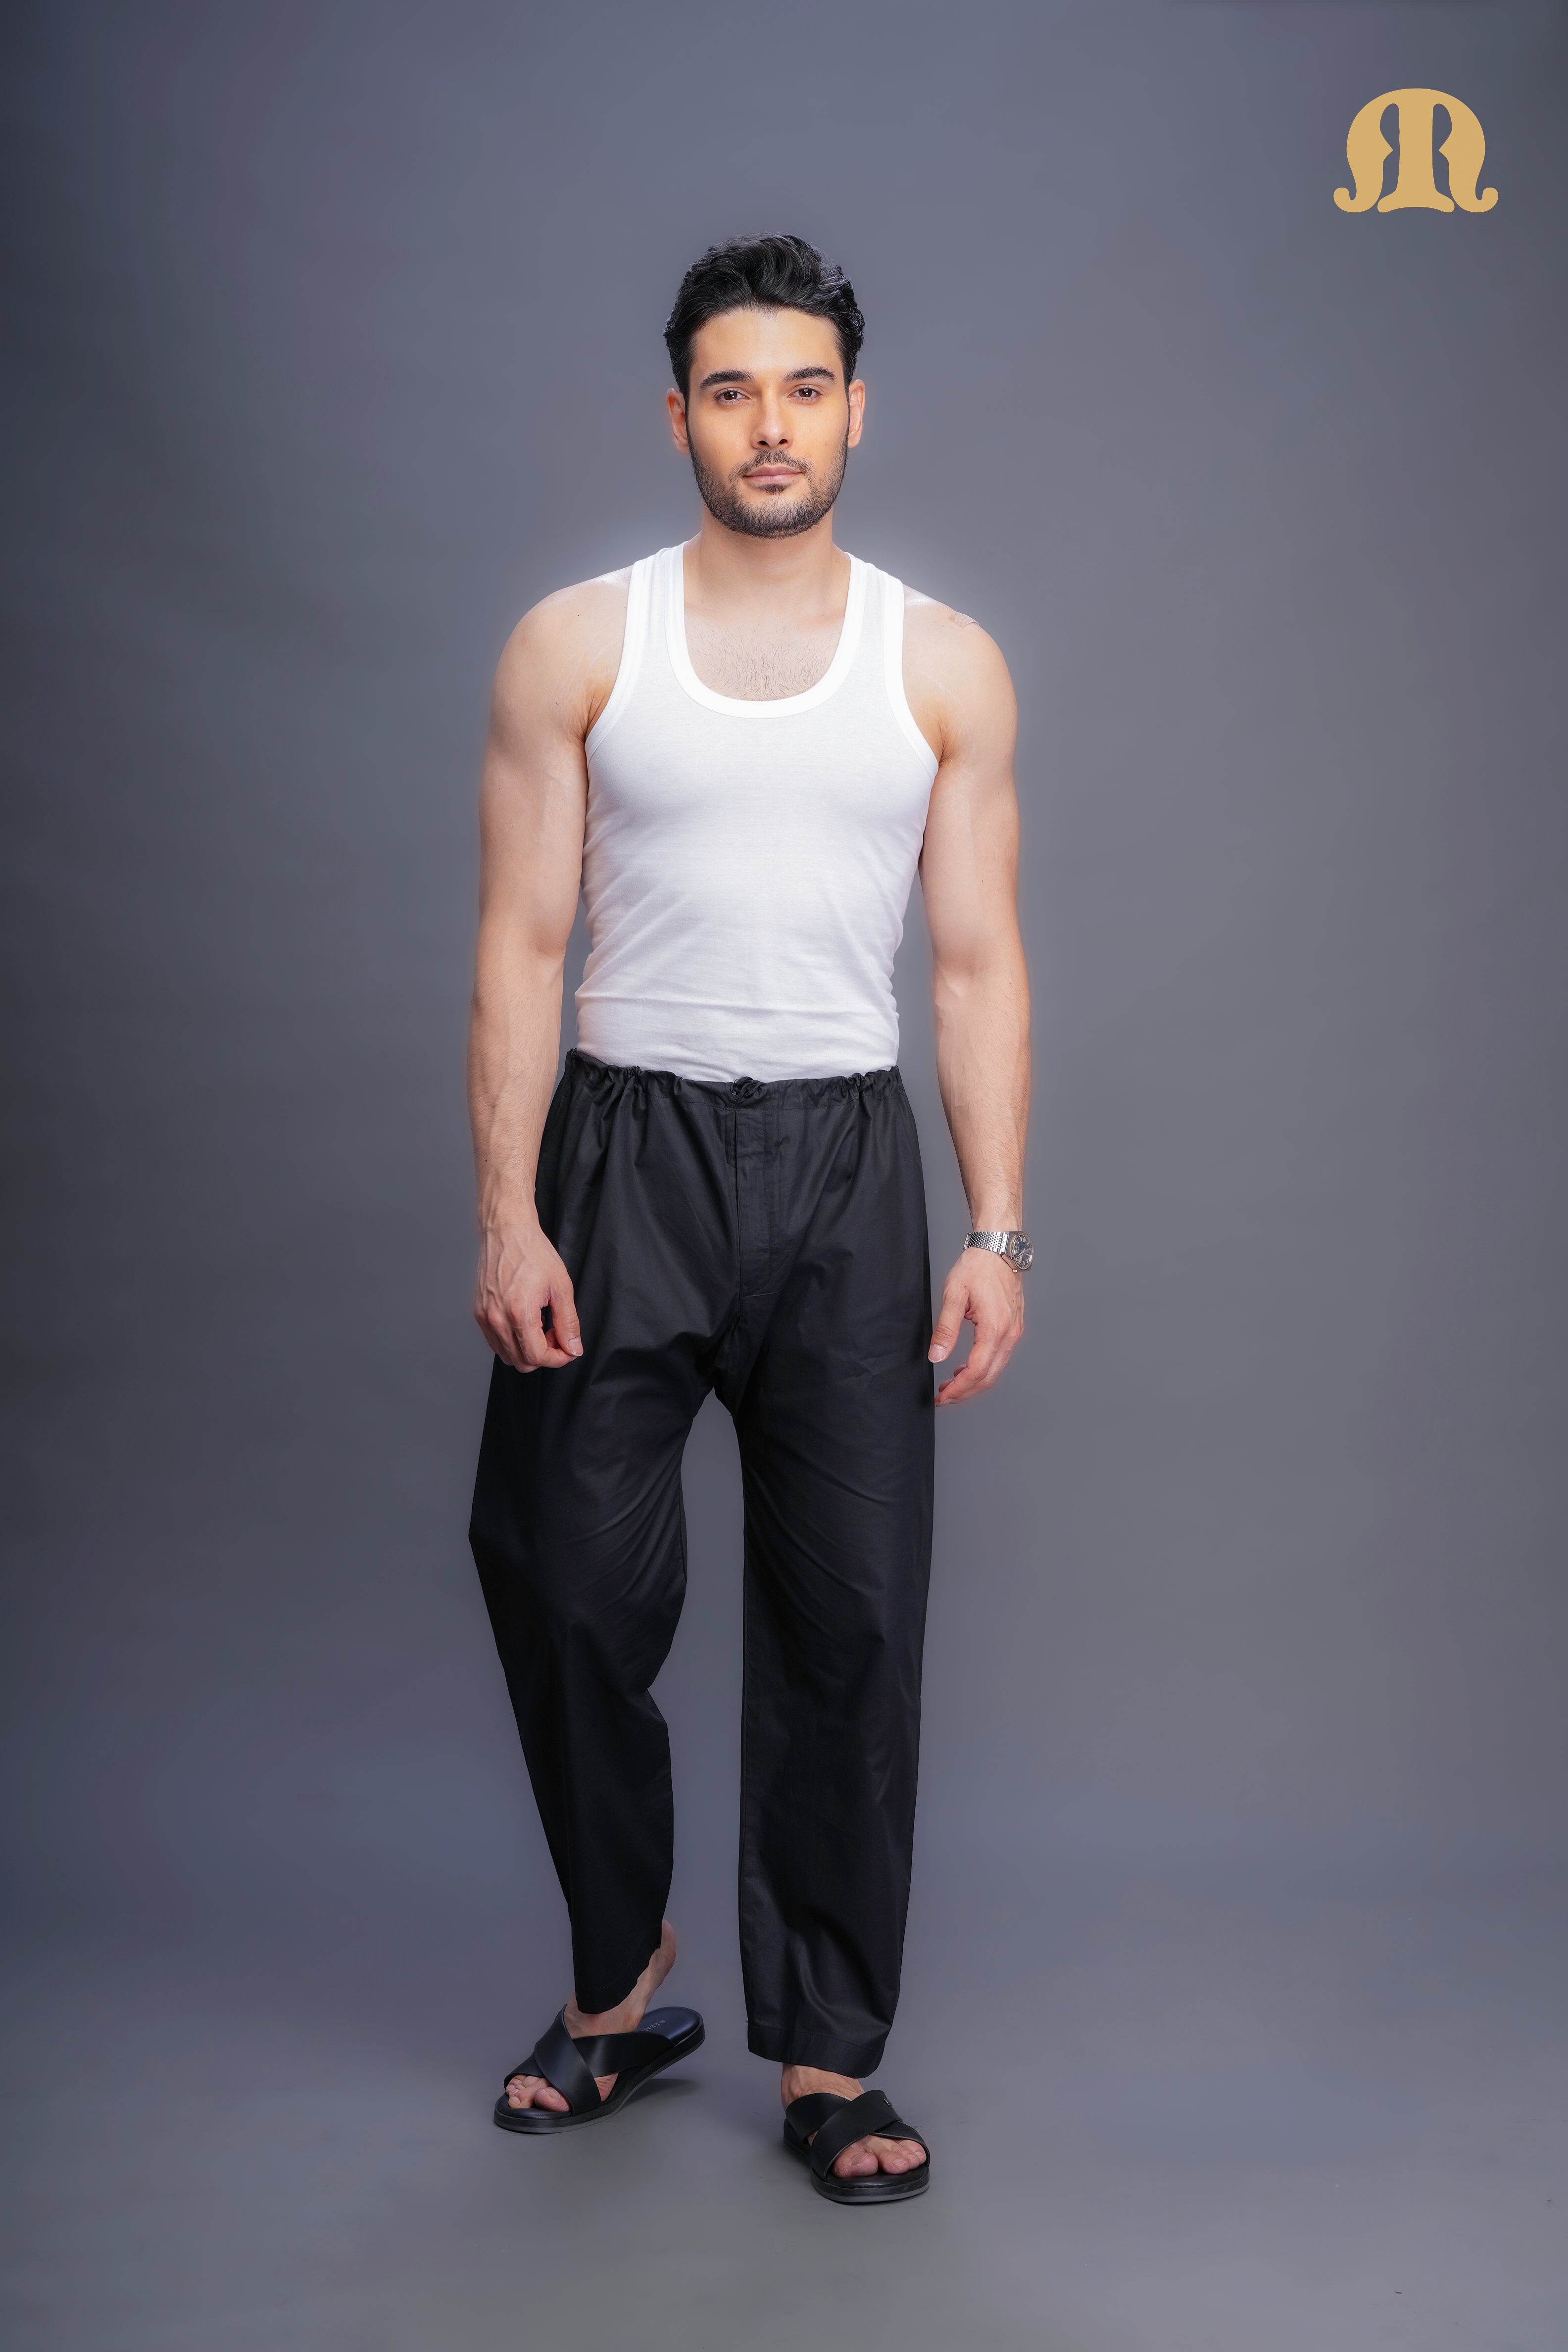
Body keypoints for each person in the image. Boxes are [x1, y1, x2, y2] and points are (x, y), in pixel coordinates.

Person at [466, 234, 1030, 2205]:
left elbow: (977, 964)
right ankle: (620, 1976)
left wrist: (999, 1228)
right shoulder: (577, 643)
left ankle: (828, 2060)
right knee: (560, 1578)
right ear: (680, 417)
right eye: (731, 391)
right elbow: (520, 945)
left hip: (847, 1171)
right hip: (621, 1156)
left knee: (851, 1623)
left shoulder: (943, 663)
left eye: (803, 389)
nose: (769, 425)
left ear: (855, 411)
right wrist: (508, 1211)